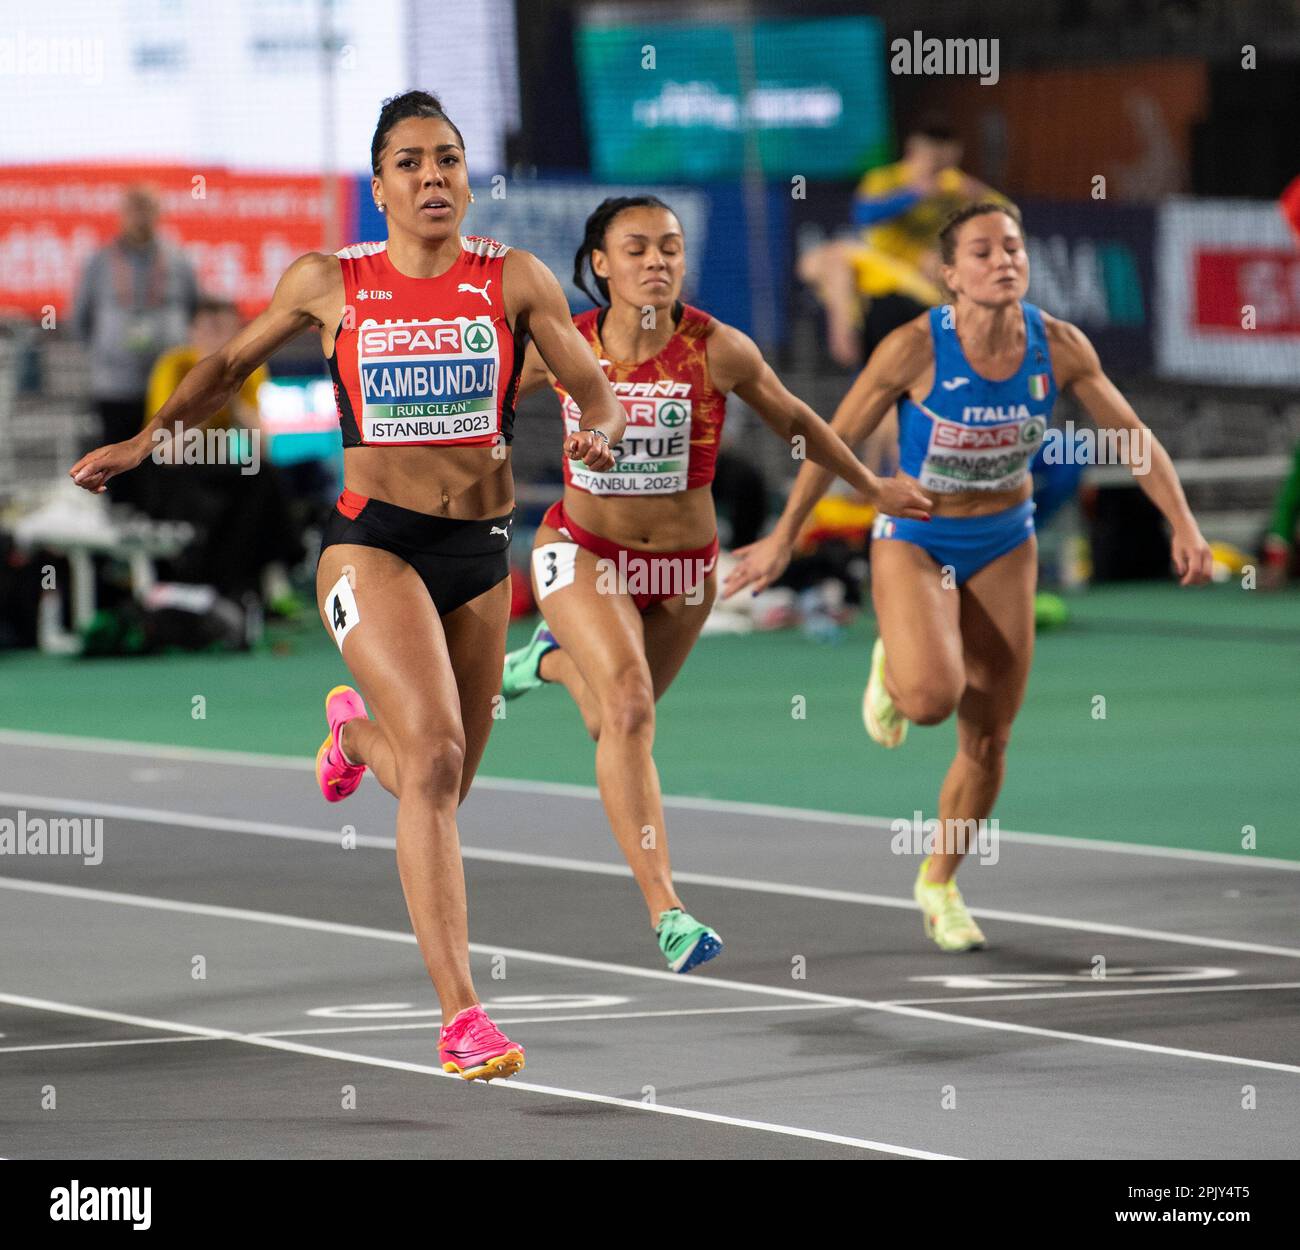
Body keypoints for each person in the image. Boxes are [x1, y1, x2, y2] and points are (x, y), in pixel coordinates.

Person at [70, 90, 626, 1081]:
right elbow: (223, 362)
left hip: (478, 553)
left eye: (448, 160)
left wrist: (599, 427)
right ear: (378, 187)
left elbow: (595, 388)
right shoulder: (331, 281)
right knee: (439, 747)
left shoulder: (515, 278)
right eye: (410, 162)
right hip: (371, 544)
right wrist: (145, 440)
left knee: (439, 780)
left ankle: (350, 733)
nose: (432, 177)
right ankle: (462, 1015)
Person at [726, 202, 1213, 952]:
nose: (1003, 261)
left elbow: (1132, 437)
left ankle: (940, 882)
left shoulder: (1059, 345)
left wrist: (1184, 524)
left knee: (989, 737)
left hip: (1004, 539)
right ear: (950, 276)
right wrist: (783, 538)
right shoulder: (913, 349)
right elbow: (832, 439)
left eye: (1013, 248)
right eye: (983, 252)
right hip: (916, 532)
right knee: (929, 700)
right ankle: (898, 659)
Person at [500, 196, 930, 972]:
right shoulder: (563, 345)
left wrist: (871, 484)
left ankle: (545, 661)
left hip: (683, 568)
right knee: (630, 705)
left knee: (613, 726)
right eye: (636, 249)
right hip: (583, 547)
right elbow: (477, 408)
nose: (656, 261)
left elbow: (797, 419)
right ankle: (668, 910)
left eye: (670, 247)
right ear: (600, 264)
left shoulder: (716, 348)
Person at [144, 296, 303, 614]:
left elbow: (262, 446)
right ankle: (189, 581)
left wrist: (228, 388)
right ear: (192, 332)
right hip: (178, 466)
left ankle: (271, 579)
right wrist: (205, 391)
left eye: (225, 330)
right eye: (209, 329)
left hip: (222, 460)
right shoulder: (173, 365)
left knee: (265, 477)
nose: (217, 338)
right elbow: (167, 451)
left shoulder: (250, 366)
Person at [799, 118, 1000, 368]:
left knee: (943, 265)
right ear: (913, 153)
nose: (939, 169)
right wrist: (915, 193)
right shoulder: (887, 180)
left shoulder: (957, 187)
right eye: (933, 160)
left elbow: (1006, 218)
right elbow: (864, 215)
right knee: (825, 259)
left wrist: (978, 196)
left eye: (946, 162)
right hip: (881, 269)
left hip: (919, 278)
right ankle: (843, 333)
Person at [72, 184, 199, 508]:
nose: (141, 218)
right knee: (115, 461)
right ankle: (119, 531)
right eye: (134, 210)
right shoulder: (99, 262)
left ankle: (166, 534)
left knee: (166, 462)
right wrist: (107, 353)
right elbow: (81, 317)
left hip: (166, 385)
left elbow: (194, 309)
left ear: (159, 214)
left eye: (148, 209)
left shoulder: (178, 259)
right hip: (116, 385)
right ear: (121, 215)